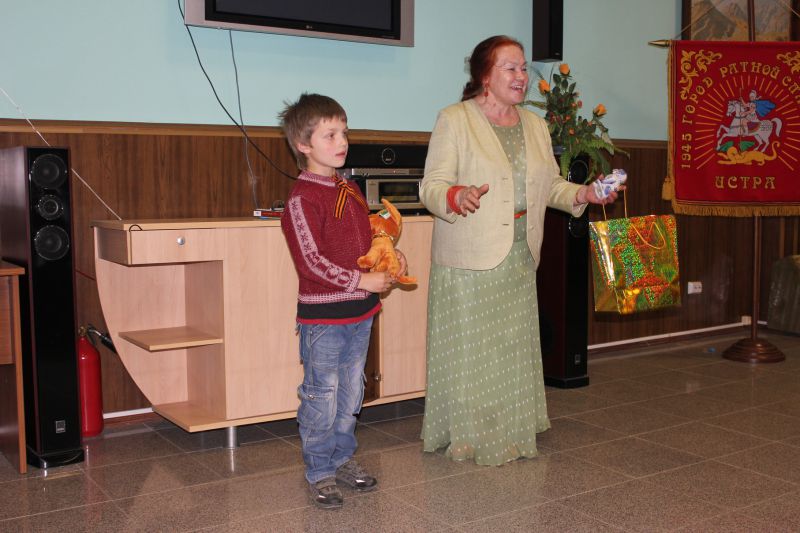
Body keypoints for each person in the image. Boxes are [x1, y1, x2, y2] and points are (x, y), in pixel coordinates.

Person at [419, 35, 619, 466]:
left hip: (519, 252)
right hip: (469, 253)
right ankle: (470, 434)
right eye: (510, 68)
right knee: (474, 351)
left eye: (523, 68)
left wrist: (586, 193)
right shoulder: (455, 119)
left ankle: (509, 427)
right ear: (484, 75)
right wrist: (455, 196)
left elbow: (550, 186)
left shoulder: (534, 124)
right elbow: (431, 186)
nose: (521, 76)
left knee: (509, 347)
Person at [279, 93, 403, 509]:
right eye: (330, 134)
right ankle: (320, 469)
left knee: (351, 393)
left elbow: (367, 239)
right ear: (304, 144)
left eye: (344, 132)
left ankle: (342, 458)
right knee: (322, 395)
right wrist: (361, 280)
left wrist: (388, 256)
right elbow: (311, 262)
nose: (342, 141)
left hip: (360, 313)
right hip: (324, 319)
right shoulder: (301, 199)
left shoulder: (348, 188)